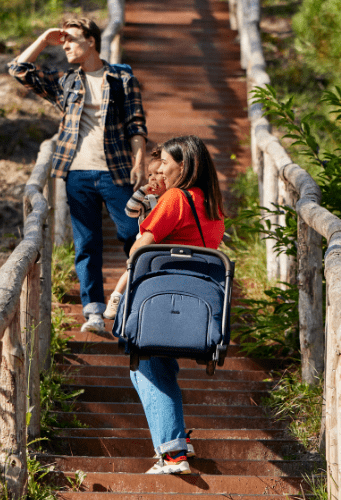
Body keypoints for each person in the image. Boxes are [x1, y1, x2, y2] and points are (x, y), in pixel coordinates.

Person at [8, 18, 147, 333]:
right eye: (63, 41)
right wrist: (44, 38)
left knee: (132, 234)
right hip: (77, 173)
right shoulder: (66, 81)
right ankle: (94, 311)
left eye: (71, 39)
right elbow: (18, 69)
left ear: (92, 41)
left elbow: (135, 123)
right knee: (87, 243)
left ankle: (135, 297)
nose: (66, 45)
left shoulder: (122, 78)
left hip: (115, 170)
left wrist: (140, 160)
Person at [125, 135, 225, 474]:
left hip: (162, 301)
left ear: (183, 166)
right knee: (151, 368)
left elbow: (140, 247)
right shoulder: (212, 204)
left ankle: (172, 453)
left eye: (165, 163)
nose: (161, 169)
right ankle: (176, 438)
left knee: (149, 367)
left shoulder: (175, 199)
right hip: (194, 304)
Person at [103, 147, 166, 319]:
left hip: (164, 243)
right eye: (150, 174)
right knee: (131, 268)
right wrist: (142, 191)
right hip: (145, 241)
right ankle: (116, 296)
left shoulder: (173, 198)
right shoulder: (148, 200)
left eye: (158, 174)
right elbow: (130, 211)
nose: (153, 178)